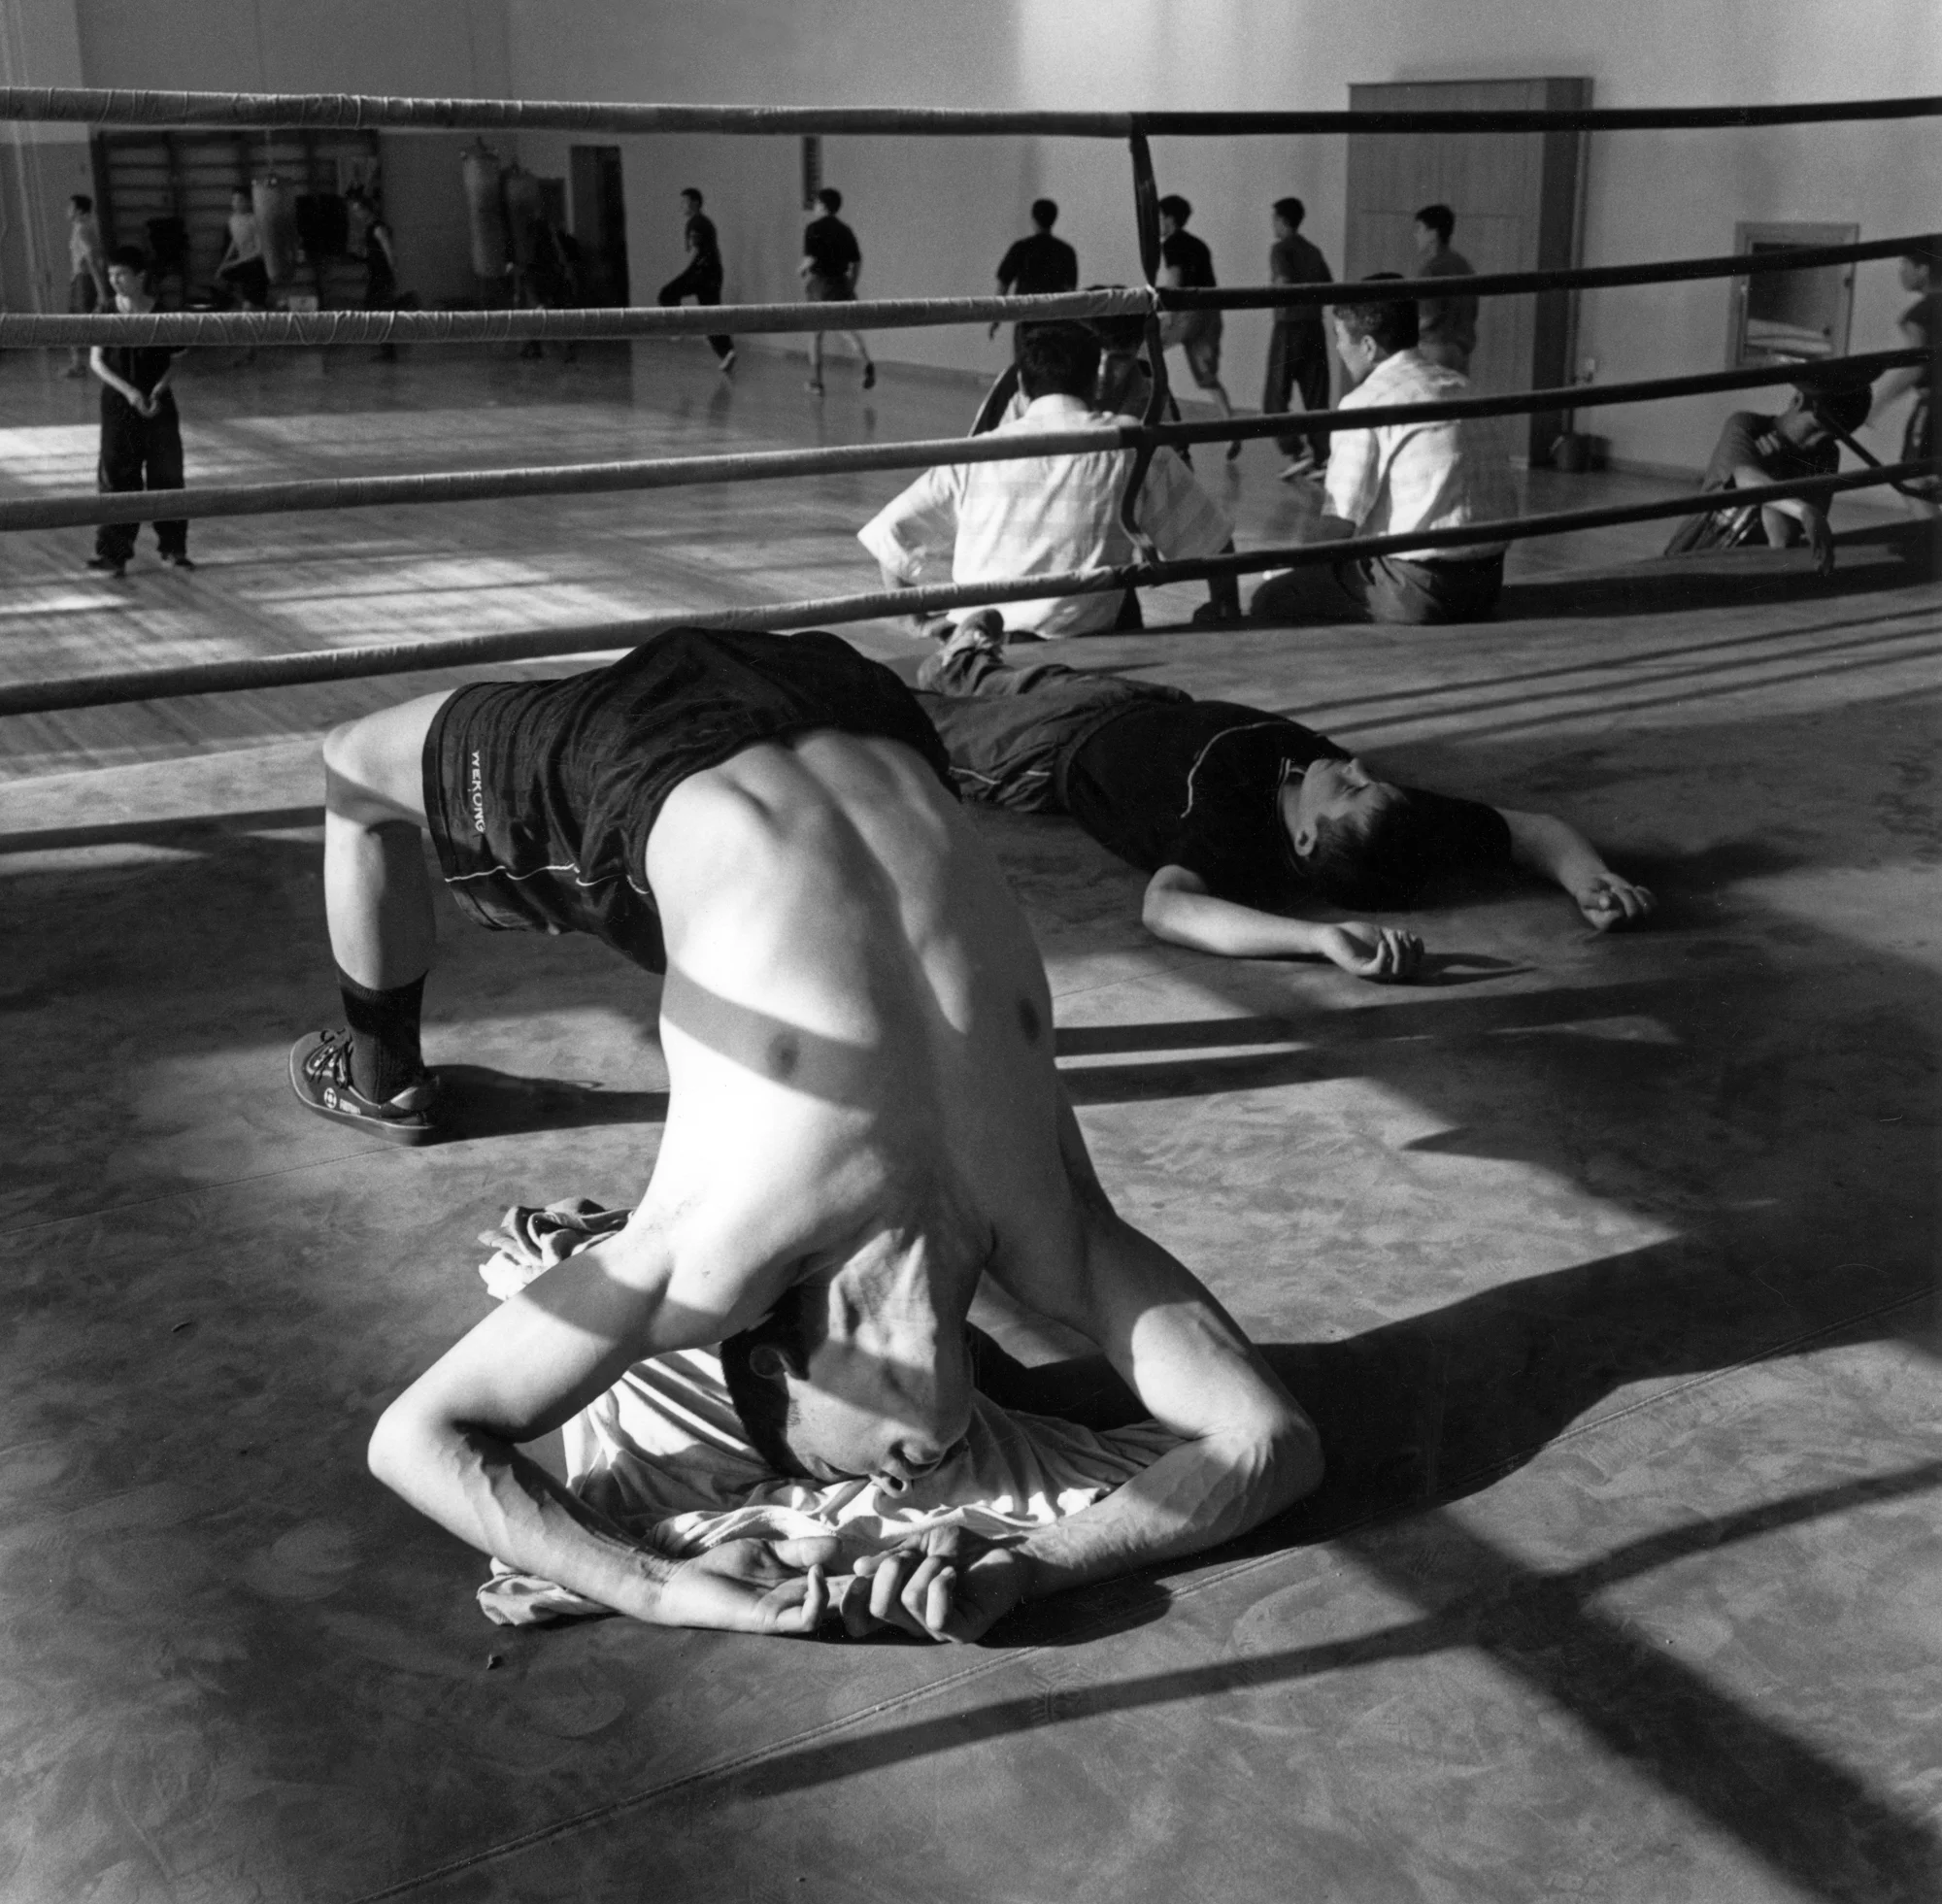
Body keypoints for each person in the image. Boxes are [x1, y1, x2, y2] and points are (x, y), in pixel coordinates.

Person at [316, 623, 1321, 1642]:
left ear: (773, 1366)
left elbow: (415, 1435)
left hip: (655, 749)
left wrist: (664, 1587)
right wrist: (1029, 1565)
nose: (897, 1483)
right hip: (862, 710)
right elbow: (1269, 1435)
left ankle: (380, 1074)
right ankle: (378, 1070)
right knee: (358, 763)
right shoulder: (1050, 1228)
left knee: (353, 764)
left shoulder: (708, 1259)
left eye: (833, 1468)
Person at [914, 612, 1655, 980]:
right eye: (1366, 779)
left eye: (1350, 787)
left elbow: (1165, 908)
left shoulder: (1234, 831)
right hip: (1137, 700)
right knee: (998, 676)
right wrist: (1592, 880)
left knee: (915, 725)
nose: (1357, 765)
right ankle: (965, 656)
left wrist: (1316, 940)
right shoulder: (1399, 819)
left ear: (1305, 839)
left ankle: (932, 677)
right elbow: (1532, 830)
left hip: (1048, 753)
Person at [857, 320, 1238, 640]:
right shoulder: (1133, 443)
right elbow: (1213, 541)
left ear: (1022, 386)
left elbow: (889, 533)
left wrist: (918, 624)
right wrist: (1226, 611)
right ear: (1092, 381)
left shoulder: (977, 453)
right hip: (1080, 643)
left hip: (978, 649)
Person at [1248, 282, 1516, 627]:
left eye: (1340, 338)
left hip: (1420, 589)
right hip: (1488, 583)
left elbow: (1338, 525)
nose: (1339, 349)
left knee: (1271, 597)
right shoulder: (1464, 387)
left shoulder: (1366, 403)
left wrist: (1290, 570)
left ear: (1368, 347)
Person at [1663, 382, 1873, 571]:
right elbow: (1745, 478)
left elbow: (1785, 539)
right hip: (1699, 550)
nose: (1815, 443)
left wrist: (1777, 473)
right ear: (1798, 400)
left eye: (1830, 438)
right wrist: (1805, 510)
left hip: (1757, 566)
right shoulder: (1746, 425)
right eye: (1814, 429)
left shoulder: (1827, 454)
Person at [85, 248, 191, 579]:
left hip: (159, 405)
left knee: (167, 477)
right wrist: (130, 392)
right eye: (111, 275)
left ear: (140, 276)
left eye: (121, 274)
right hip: (119, 405)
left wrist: (157, 390)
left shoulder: (163, 314)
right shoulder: (105, 312)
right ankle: (113, 555)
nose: (114, 281)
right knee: (116, 479)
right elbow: (97, 361)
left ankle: (174, 549)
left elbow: (176, 361)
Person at [1155, 195, 1240, 457]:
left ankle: (1159, 419)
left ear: (1170, 219)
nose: (1157, 222)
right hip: (1210, 313)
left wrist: (1167, 314)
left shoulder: (1172, 244)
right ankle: (1231, 430)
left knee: (1144, 349)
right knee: (1208, 377)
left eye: (1159, 217)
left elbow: (1175, 282)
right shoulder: (1199, 244)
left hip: (1188, 312)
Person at [1261, 197, 1334, 481]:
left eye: (1274, 220)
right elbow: (1328, 285)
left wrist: (1272, 291)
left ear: (1282, 221)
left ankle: (1296, 450)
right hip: (1314, 327)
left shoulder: (1280, 249)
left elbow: (1283, 283)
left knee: (1275, 396)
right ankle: (1322, 456)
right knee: (1317, 396)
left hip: (1289, 329)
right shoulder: (1313, 250)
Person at [1868, 245, 1941, 512]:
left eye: (1905, 265)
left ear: (1923, 270)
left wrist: (1878, 403)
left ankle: (1929, 536)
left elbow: (1916, 368)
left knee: (1912, 478)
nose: (1900, 272)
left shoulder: (1920, 314)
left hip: (1935, 406)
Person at [798, 186, 875, 394]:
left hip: (819, 286)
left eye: (816, 203)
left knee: (815, 334)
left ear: (823, 206)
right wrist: (851, 285)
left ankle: (817, 382)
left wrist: (802, 270)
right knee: (846, 329)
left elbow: (811, 258)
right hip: (840, 284)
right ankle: (866, 362)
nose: (814, 207)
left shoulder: (813, 228)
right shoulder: (845, 230)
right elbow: (856, 262)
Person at [657, 187, 735, 373]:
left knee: (666, 294)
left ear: (695, 203)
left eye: (685, 202)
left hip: (702, 273)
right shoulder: (704, 222)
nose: (682, 206)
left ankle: (679, 327)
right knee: (710, 316)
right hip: (714, 273)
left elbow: (696, 250)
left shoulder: (696, 222)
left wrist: (688, 274)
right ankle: (727, 352)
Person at [989, 197, 1079, 351]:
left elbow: (1004, 283)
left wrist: (996, 318)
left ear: (1033, 219)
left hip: (1026, 317)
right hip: (1054, 319)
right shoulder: (1065, 252)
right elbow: (1070, 290)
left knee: (1026, 360)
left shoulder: (1021, 248)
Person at [1412, 204, 1478, 377]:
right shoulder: (1463, 265)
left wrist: (1406, 334)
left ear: (1433, 233)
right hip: (1461, 350)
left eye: (1419, 229)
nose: (1415, 235)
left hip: (1435, 348)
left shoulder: (1431, 269)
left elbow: (1428, 316)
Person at [214, 186, 269, 363]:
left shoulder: (255, 220)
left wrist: (234, 262)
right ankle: (266, 309)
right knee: (244, 304)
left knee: (248, 310)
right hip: (242, 267)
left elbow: (259, 251)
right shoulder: (232, 220)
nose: (235, 203)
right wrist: (224, 264)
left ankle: (250, 350)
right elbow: (233, 244)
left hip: (256, 267)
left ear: (248, 202)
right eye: (234, 200)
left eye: (240, 200)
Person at [346, 188, 400, 363]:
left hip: (382, 277)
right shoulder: (370, 228)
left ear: (366, 209)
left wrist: (393, 273)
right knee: (374, 310)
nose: (356, 215)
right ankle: (386, 349)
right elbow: (372, 255)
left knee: (379, 311)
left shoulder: (377, 228)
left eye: (358, 211)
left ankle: (389, 350)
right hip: (376, 275)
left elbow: (388, 251)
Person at [63, 194, 110, 378]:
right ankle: (78, 364)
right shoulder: (81, 228)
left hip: (84, 282)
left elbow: (92, 262)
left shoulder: (83, 230)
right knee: (76, 323)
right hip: (80, 280)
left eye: (70, 207)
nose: (67, 210)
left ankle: (84, 364)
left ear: (79, 211)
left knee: (82, 324)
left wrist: (101, 291)